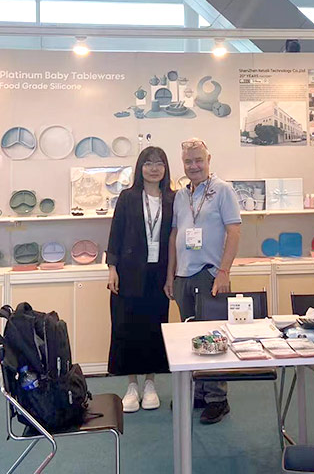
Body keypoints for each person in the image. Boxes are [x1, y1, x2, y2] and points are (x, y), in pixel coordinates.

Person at [165, 138, 241, 425]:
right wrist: (171, 274)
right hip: (183, 276)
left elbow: (234, 231)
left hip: (210, 274)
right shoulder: (180, 195)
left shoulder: (223, 190)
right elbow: (175, 235)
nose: (194, 166)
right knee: (191, 338)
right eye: (188, 161)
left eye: (198, 160)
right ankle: (199, 391)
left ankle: (218, 399)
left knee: (213, 338)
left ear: (209, 160)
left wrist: (224, 272)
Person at [106, 146, 175, 413]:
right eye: (148, 163)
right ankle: (132, 386)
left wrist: (172, 275)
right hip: (129, 272)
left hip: (159, 274)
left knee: (155, 328)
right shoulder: (128, 197)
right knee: (127, 328)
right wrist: (112, 268)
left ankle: (150, 384)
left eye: (159, 163)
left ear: (166, 168)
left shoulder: (173, 198)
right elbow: (116, 233)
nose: (154, 168)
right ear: (140, 167)